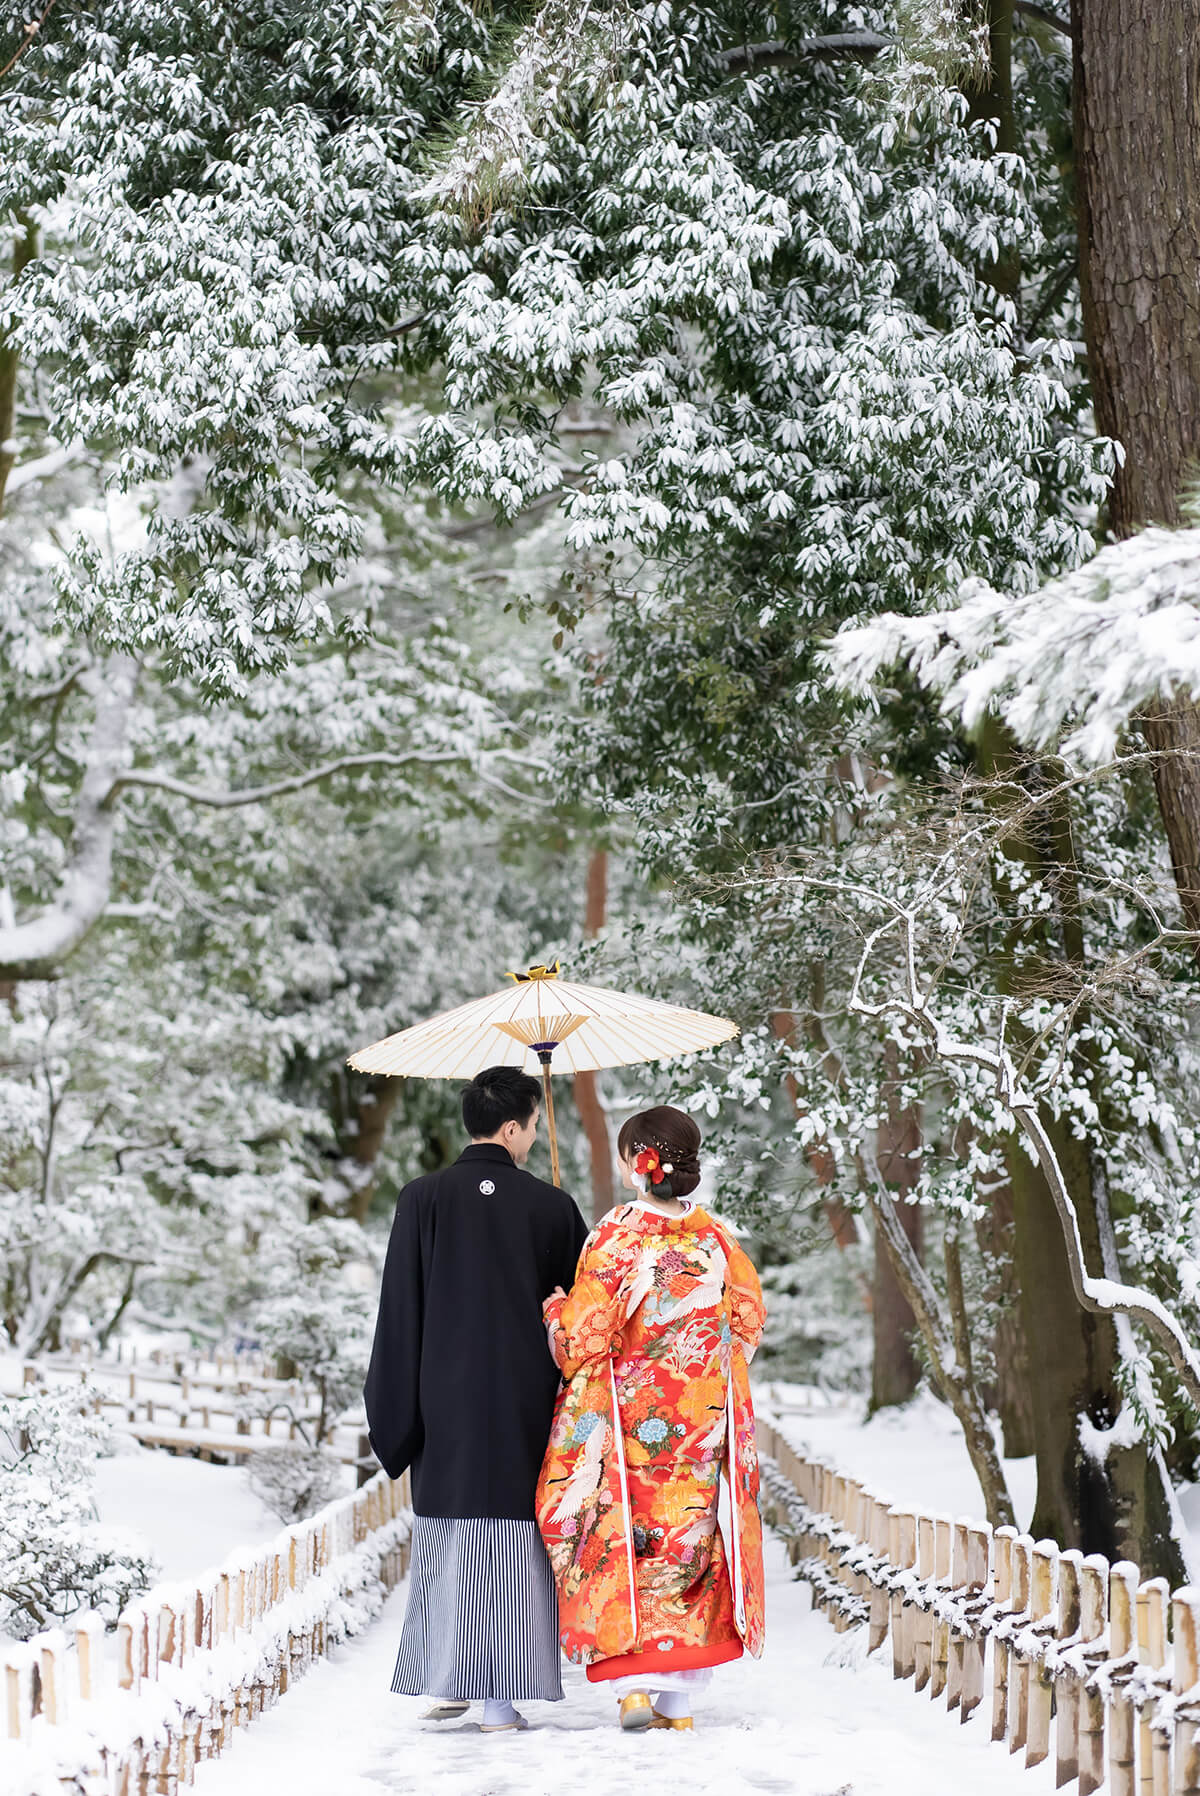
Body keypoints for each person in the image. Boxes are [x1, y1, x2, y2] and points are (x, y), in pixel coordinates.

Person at [364, 1064, 589, 1733]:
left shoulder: (421, 1198)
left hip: (444, 1400)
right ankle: (500, 1697)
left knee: (454, 1535)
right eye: (532, 1124)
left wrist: (398, 1411)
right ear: (516, 1127)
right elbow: (581, 1317)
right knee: (515, 1542)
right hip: (525, 1401)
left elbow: (400, 1310)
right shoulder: (552, 1206)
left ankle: (450, 1677)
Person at [537, 1104, 766, 1733]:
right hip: (698, 1419)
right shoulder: (716, 1238)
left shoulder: (617, 1235)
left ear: (635, 1162)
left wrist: (557, 1307)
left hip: (629, 1415)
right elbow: (748, 1321)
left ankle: (635, 1689)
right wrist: (700, 1373)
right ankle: (679, 1703)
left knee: (624, 1535)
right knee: (689, 1539)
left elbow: (585, 1336)